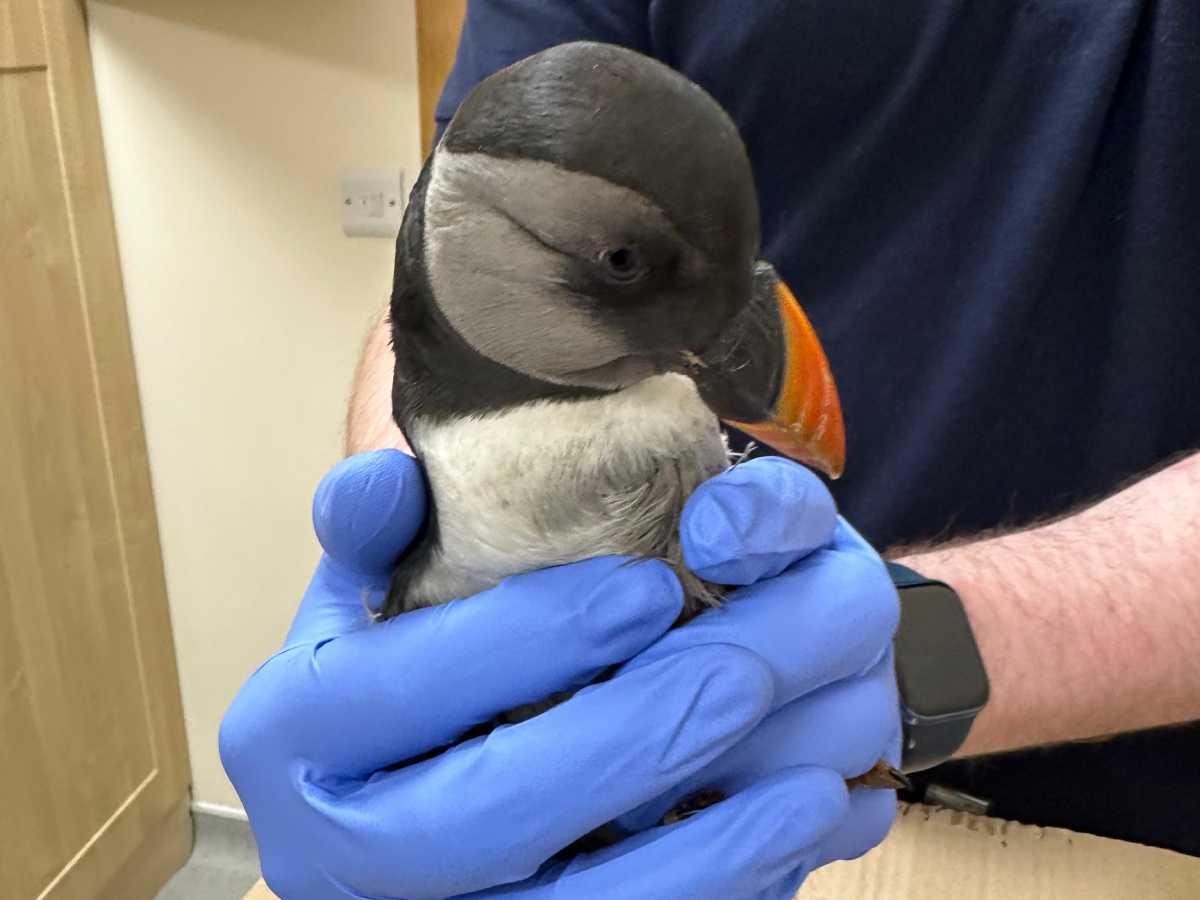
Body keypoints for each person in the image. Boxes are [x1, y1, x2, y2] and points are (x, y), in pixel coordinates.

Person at [221, 1, 1200, 896]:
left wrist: (893, 657)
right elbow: (466, 233)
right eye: (621, 264)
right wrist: (424, 606)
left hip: (1123, 813)